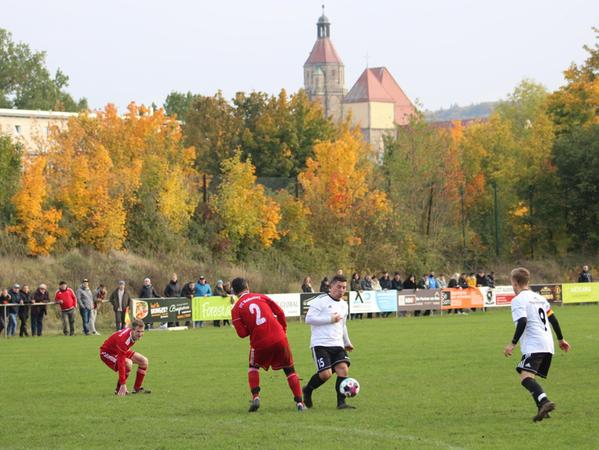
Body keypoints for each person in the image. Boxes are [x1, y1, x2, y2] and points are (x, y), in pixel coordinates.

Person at [503, 267, 571, 422]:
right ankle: (542, 409)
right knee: (527, 374)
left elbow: (522, 321)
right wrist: (561, 339)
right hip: (548, 344)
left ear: (515, 283)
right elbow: (553, 319)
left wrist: (512, 344)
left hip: (535, 344)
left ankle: (545, 402)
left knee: (525, 378)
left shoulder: (518, 300)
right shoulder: (539, 298)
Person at [230, 277, 305, 412]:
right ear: (247, 287)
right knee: (289, 369)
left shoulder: (235, 309)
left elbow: (242, 334)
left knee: (253, 367)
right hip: (280, 338)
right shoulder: (260, 296)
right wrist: (283, 330)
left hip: (259, 342)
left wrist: (251, 326)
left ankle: (256, 397)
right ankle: (300, 403)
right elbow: (280, 312)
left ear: (234, 292)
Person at [302, 274, 355, 410]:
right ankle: (308, 390)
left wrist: (347, 342)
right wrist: (329, 319)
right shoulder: (320, 301)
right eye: (339, 287)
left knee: (343, 369)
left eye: (344, 287)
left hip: (337, 344)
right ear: (331, 286)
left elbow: (343, 325)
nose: (342, 290)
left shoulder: (344, 305)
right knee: (326, 374)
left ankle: (341, 403)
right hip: (320, 344)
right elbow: (308, 319)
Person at [99, 318, 151, 395]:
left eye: (142, 331)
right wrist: (123, 384)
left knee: (144, 361)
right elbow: (121, 362)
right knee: (128, 364)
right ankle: (119, 389)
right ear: (132, 330)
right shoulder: (124, 340)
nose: (140, 334)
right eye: (138, 331)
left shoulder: (130, 335)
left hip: (118, 350)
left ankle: (137, 389)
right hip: (107, 353)